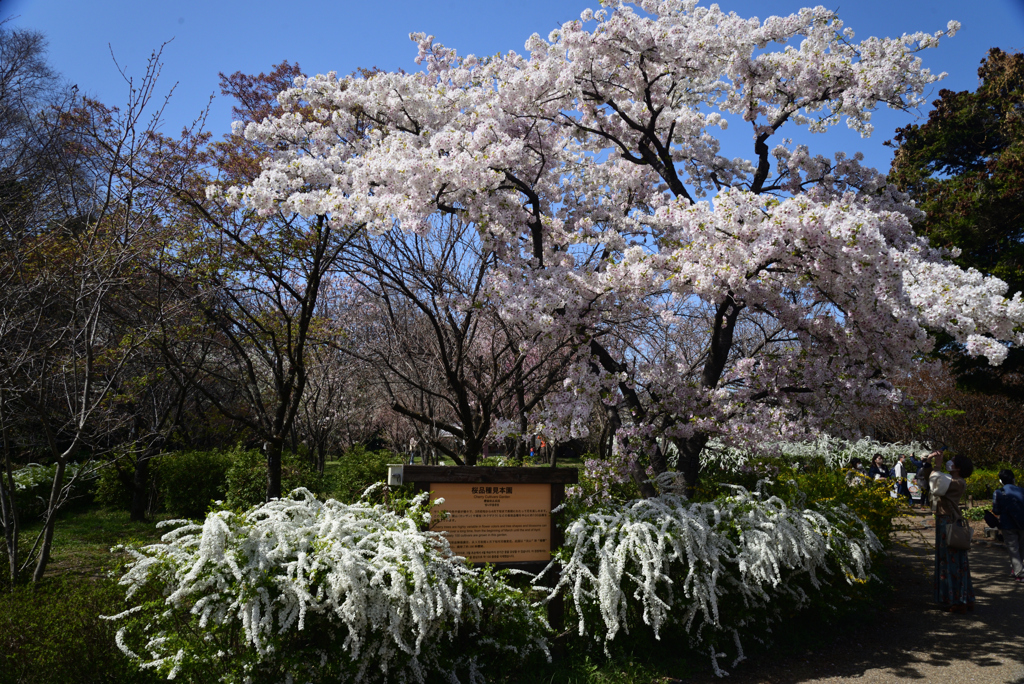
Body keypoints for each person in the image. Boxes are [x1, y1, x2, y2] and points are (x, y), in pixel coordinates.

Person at [933, 454, 975, 613]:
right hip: (948, 521)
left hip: (948, 522)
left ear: (958, 468)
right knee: (956, 561)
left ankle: (958, 600)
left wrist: (937, 466)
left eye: (953, 462)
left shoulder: (956, 483)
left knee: (950, 561)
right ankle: (966, 598)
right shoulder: (953, 480)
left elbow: (936, 487)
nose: (949, 463)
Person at [992, 469, 1024, 581]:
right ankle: (1018, 569)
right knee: (1021, 547)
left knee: (1013, 549)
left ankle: (1019, 574)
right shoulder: (1022, 490)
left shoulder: (998, 492)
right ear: (1014, 479)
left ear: (1001, 481)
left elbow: (996, 510)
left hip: (1007, 524)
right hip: (1022, 523)